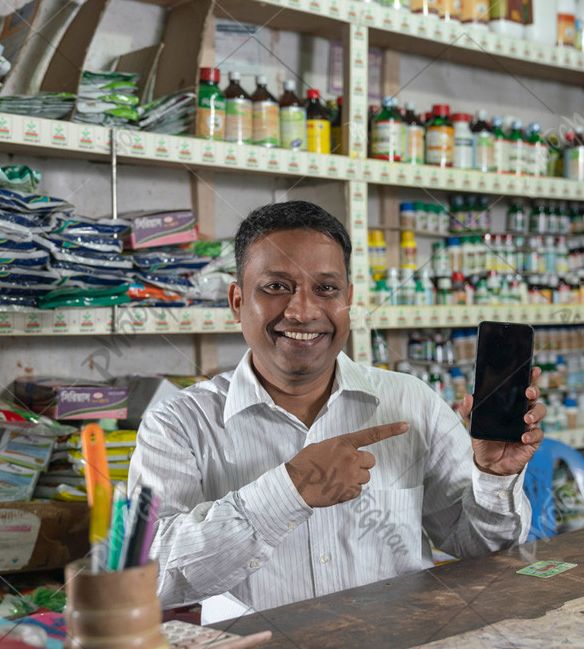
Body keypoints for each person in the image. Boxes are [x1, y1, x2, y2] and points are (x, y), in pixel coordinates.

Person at [128, 200, 546, 621]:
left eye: (326, 289)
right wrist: (288, 491)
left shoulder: (411, 402)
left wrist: (494, 476)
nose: (303, 311)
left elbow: (484, 548)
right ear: (237, 301)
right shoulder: (177, 425)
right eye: (276, 287)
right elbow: (148, 577)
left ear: (348, 300)